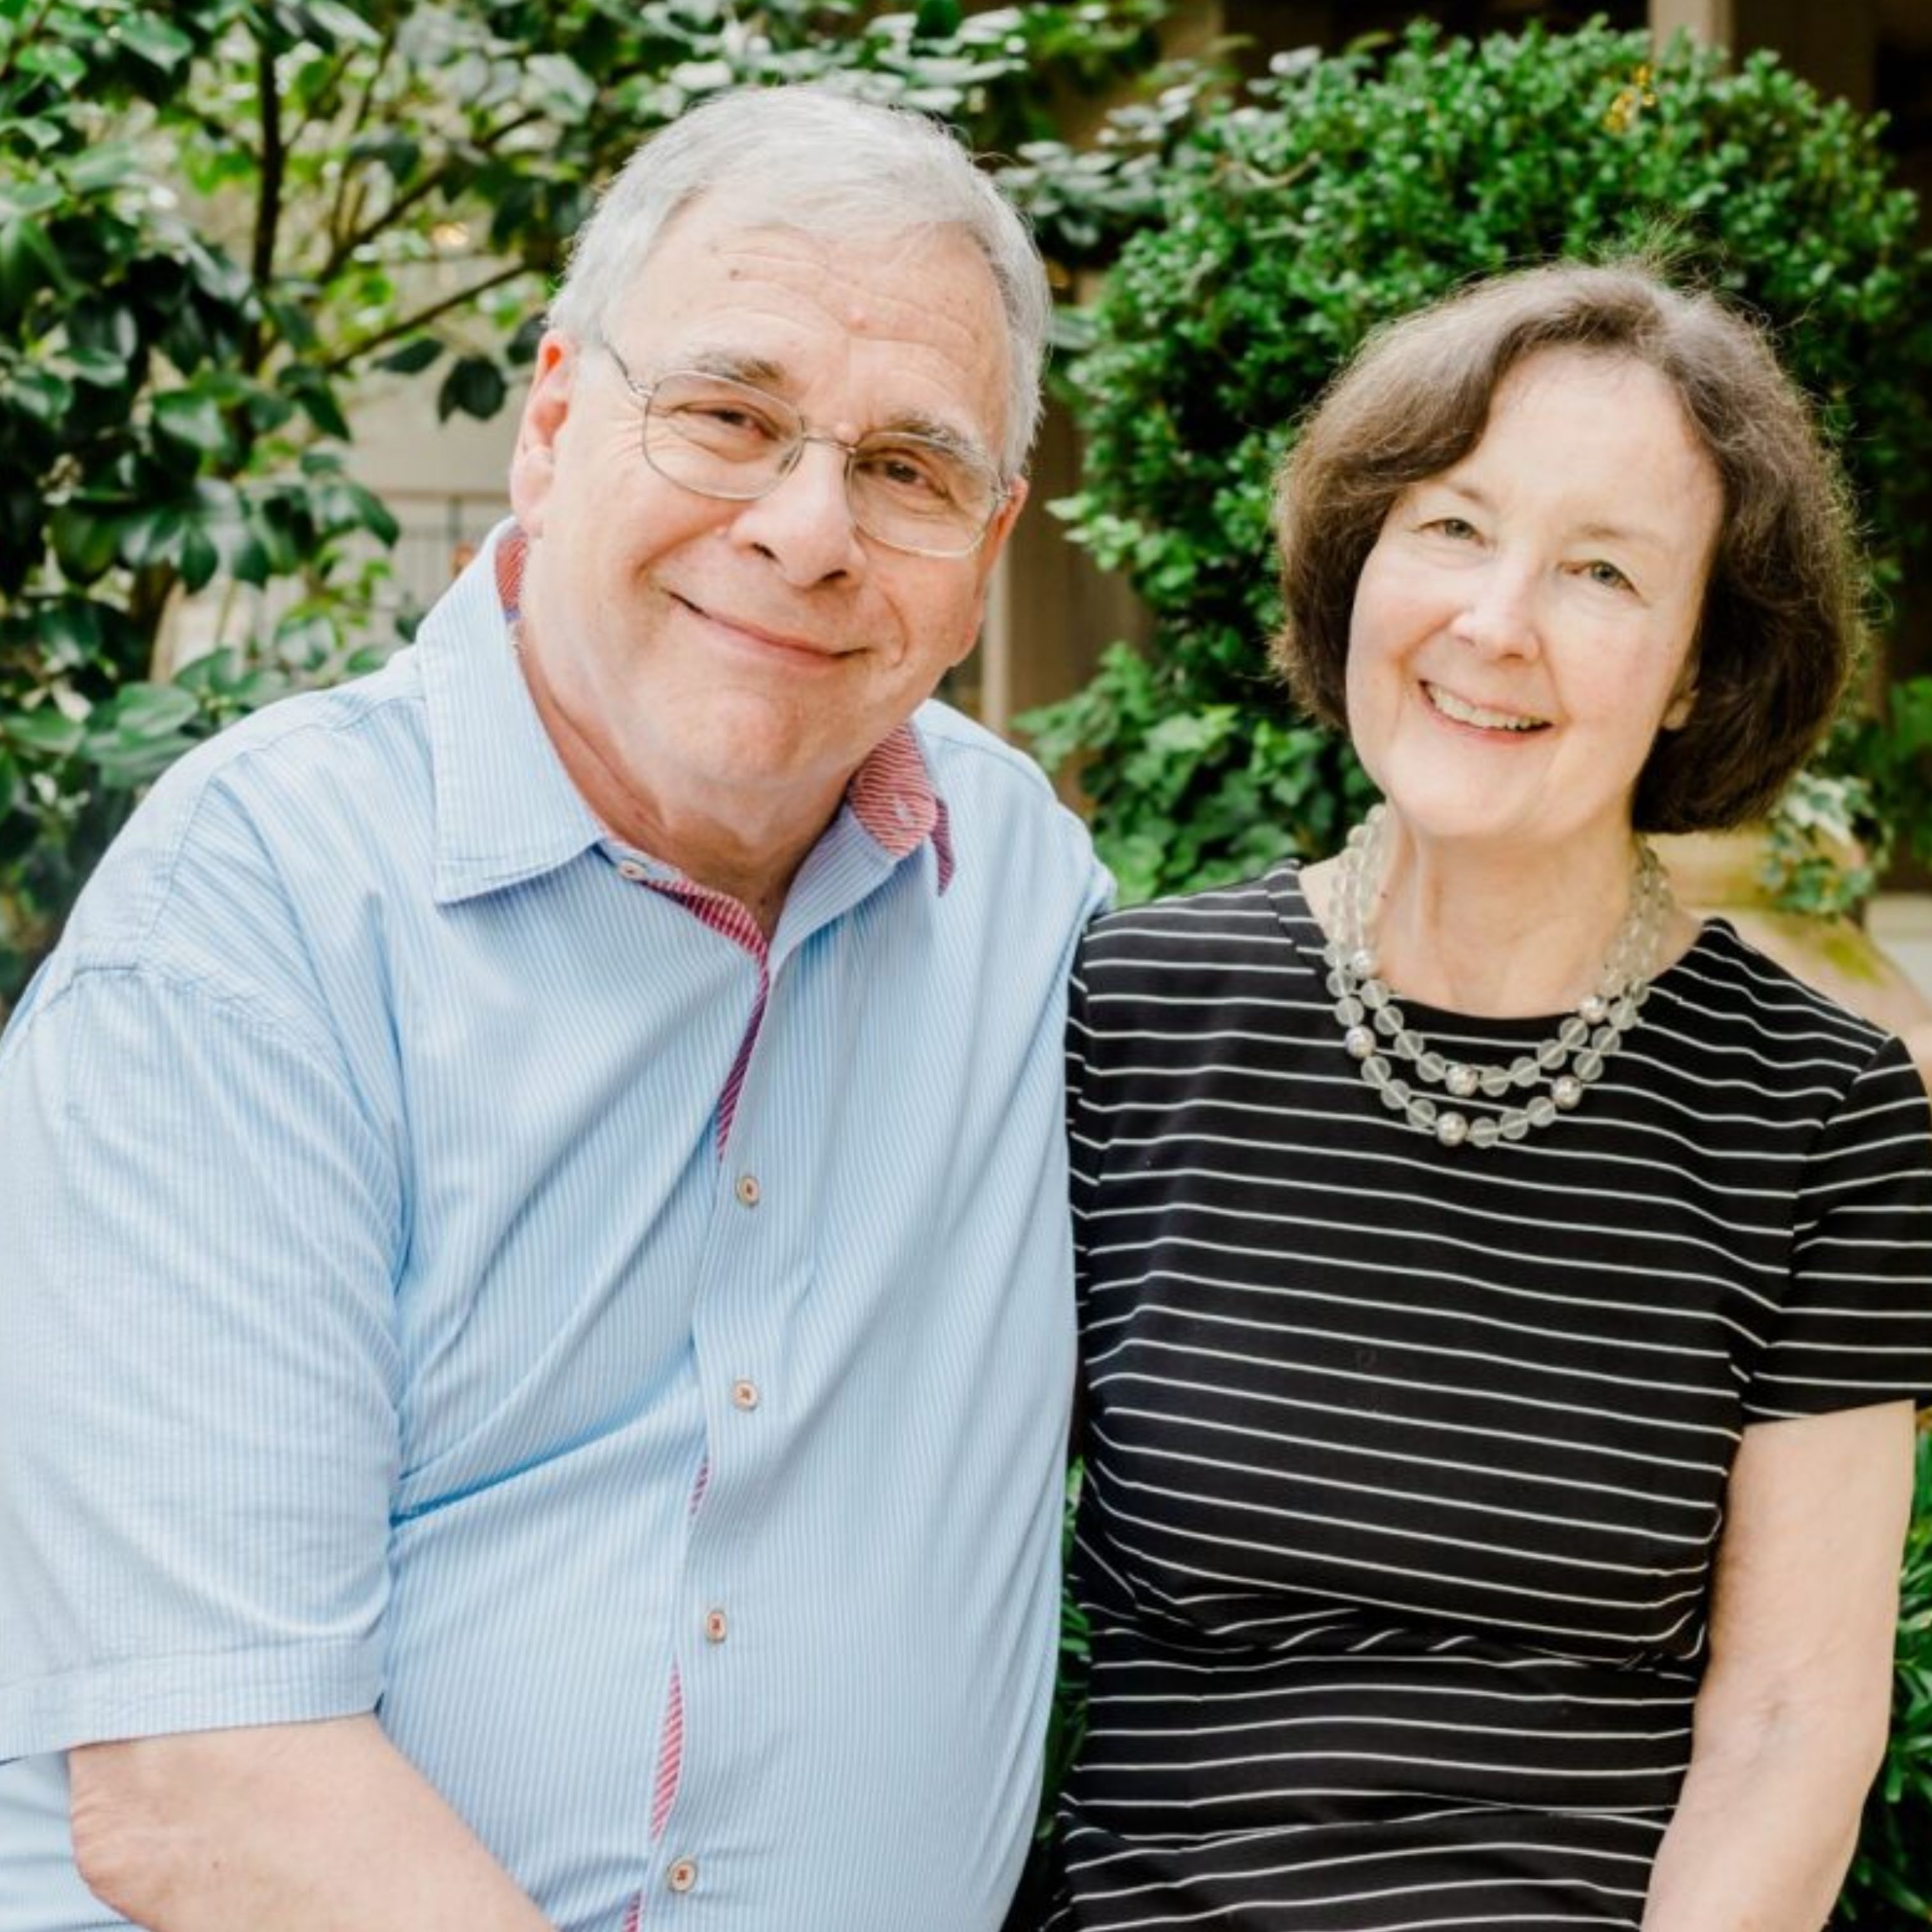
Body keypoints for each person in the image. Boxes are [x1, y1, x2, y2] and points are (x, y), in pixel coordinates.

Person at [0, 85, 1107, 1932]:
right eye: (729, 417)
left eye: (908, 470)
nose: (809, 529)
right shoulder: (253, 921)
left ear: (986, 544)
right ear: (554, 419)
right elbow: (204, 1785)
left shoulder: (1024, 909)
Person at [1046, 263, 1932, 1929]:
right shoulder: (1129, 1013)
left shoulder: (1823, 1113)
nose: (1496, 620)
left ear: (1695, 670)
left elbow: (1794, 1726)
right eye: (1452, 527)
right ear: (1362, 557)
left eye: (1602, 569)